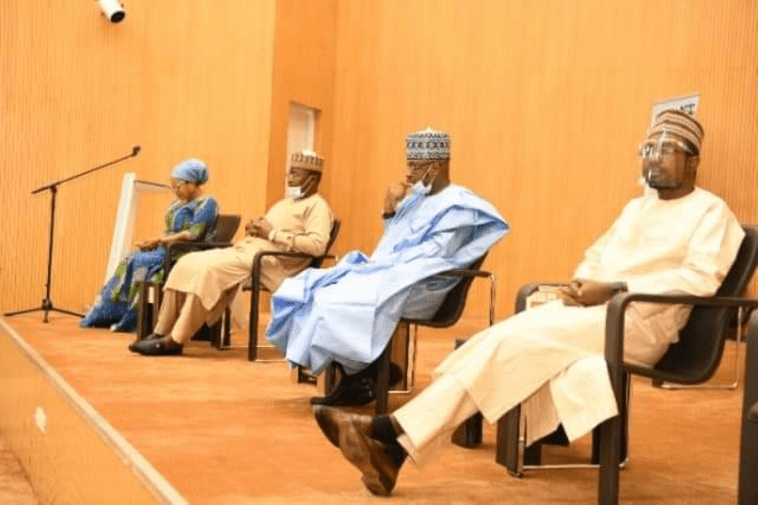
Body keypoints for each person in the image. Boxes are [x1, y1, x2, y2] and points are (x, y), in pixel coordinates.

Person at [312, 110, 745, 496]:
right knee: (496, 337)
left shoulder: (712, 212)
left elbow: (698, 280)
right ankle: (393, 446)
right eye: (649, 148)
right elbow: (596, 254)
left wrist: (613, 289)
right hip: (596, 312)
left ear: (693, 160)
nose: (654, 157)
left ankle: (391, 436)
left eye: (667, 150)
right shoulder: (636, 208)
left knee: (511, 344)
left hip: (639, 322)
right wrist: (582, 285)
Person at [265, 128, 509, 405]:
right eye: (409, 165)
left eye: (416, 167)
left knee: (337, 301)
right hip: (394, 275)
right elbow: (392, 244)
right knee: (312, 290)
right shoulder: (417, 199)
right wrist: (389, 209)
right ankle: (359, 375)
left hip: (425, 286)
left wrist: (379, 270)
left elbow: (432, 257)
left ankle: (362, 374)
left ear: (437, 166)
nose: (408, 174)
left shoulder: (459, 206)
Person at [129, 150, 333, 356]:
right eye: (289, 173)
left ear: (313, 178)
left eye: (296, 174)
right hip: (248, 250)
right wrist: (255, 229)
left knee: (208, 270)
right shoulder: (284, 204)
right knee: (188, 263)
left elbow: (317, 246)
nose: (290, 179)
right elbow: (268, 230)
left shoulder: (318, 207)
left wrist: (271, 233)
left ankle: (176, 339)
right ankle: (160, 331)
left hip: (272, 262)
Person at [80, 158, 218, 333]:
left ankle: (132, 320)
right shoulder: (178, 204)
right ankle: (107, 313)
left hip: (184, 252)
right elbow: (170, 231)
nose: (175, 191)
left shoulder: (207, 204)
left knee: (139, 263)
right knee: (130, 259)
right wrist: (153, 241)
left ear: (191, 184)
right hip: (167, 249)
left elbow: (193, 234)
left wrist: (160, 241)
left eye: (177, 186)